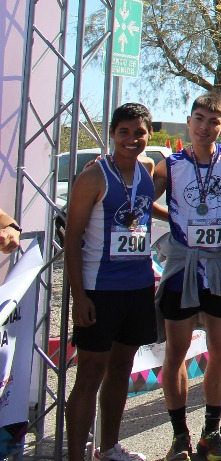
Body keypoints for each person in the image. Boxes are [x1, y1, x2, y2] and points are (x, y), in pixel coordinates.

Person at [65, 103, 157, 461]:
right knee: (89, 374)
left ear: (148, 135)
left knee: (121, 370)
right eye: (124, 132)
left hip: (137, 289)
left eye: (139, 133)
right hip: (99, 290)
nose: (132, 139)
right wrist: (79, 296)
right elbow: (72, 239)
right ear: (112, 135)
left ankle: (110, 447)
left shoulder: (148, 170)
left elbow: (145, 211)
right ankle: (76, 456)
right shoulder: (93, 177)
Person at [153, 93, 221, 461]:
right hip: (182, 269)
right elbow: (137, 199)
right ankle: (179, 435)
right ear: (188, 122)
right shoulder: (169, 166)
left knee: (220, 351)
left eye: (213, 121)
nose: (205, 127)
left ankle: (211, 428)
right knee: (176, 352)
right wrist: (173, 221)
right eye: (199, 119)